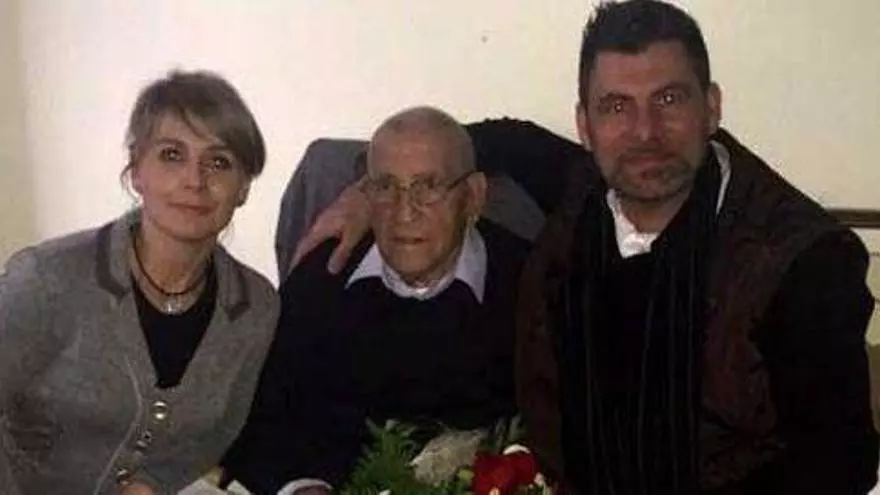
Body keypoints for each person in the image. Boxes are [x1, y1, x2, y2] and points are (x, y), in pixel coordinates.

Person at [289, 1, 878, 493]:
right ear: (584, 124)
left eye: (669, 99)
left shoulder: (801, 262)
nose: (645, 132)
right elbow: (495, 139)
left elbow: (837, 465)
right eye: (616, 106)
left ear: (713, 106)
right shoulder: (581, 191)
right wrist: (367, 189)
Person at [222, 106, 531, 494]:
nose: (404, 212)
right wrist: (300, 485)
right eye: (386, 187)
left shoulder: (530, 287)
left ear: (472, 197)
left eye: (428, 186)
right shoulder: (322, 278)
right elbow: (256, 417)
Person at [0, 71, 279, 494]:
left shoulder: (255, 307)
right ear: (136, 171)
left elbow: (218, 431)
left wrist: (154, 482)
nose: (195, 180)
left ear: (243, 187)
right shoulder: (47, 281)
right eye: (172, 155)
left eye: (219, 162)